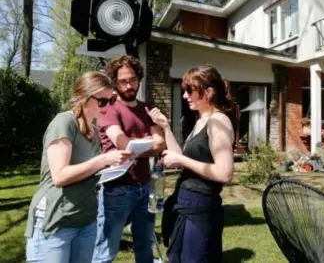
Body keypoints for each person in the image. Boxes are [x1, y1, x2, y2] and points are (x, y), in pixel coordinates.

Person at [25, 71, 133, 263]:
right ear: (83, 98)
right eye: (102, 101)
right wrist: (103, 160)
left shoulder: (93, 130)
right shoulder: (64, 122)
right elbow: (59, 176)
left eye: (111, 100)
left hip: (86, 218)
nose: (108, 106)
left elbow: (89, 170)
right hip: (57, 219)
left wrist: (115, 166)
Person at [147, 64, 235, 263]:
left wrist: (181, 159)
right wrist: (166, 128)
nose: (185, 96)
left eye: (190, 91)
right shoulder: (201, 121)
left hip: (201, 207)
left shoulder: (218, 121)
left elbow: (225, 173)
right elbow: (182, 160)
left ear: (209, 92)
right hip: (184, 202)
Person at [92, 55, 165, 263]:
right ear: (115, 81)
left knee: (145, 246)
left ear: (139, 78)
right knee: (106, 250)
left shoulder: (145, 108)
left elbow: (160, 143)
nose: (129, 85)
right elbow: (122, 143)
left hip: (144, 185)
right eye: (123, 81)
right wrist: (146, 143)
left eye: (132, 79)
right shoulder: (109, 109)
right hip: (117, 188)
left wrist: (139, 147)